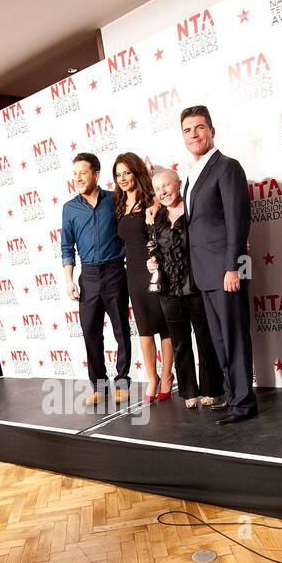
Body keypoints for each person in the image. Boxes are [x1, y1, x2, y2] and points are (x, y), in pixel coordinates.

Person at [179, 106, 257, 424]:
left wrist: (233, 269)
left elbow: (238, 222)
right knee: (220, 339)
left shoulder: (227, 167)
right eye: (187, 129)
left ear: (212, 131)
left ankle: (244, 403)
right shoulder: (191, 175)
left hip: (227, 270)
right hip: (204, 273)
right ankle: (231, 394)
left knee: (235, 336)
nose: (194, 134)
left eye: (199, 127)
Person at [146, 168, 223, 409]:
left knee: (205, 338)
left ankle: (212, 389)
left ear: (179, 184)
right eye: (158, 189)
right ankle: (189, 391)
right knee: (179, 342)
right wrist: (151, 262)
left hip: (196, 285)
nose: (163, 192)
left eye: (166, 186)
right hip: (168, 289)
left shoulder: (193, 211)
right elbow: (153, 248)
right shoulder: (155, 218)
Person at [61, 153, 132, 406]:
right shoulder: (69, 208)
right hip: (87, 275)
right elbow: (67, 247)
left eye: (82, 172)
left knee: (121, 330)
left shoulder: (115, 200)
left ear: (96, 174)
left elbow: (128, 233)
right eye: (75, 174)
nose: (78, 178)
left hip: (114, 272)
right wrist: (69, 280)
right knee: (90, 333)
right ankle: (99, 387)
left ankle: (122, 381)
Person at [114, 153, 173, 403]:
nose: (122, 179)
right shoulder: (117, 206)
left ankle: (168, 376)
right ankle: (152, 378)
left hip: (155, 270)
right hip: (133, 275)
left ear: (137, 172)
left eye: (127, 172)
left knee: (165, 327)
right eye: (118, 175)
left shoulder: (152, 201)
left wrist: (156, 207)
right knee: (145, 329)